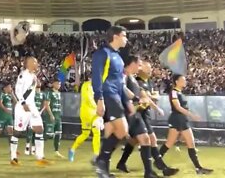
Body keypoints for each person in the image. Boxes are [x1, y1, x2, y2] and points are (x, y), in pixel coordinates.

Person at [116, 61, 178, 176]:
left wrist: (150, 98)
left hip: (143, 113)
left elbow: (153, 96)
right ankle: (160, 167)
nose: (150, 70)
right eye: (147, 67)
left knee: (136, 141)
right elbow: (144, 97)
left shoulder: (145, 81)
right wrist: (155, 106)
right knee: (150, 139)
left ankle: (123, 163)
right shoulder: (134, 80)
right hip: (139, 112)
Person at [91, 26, 132, 178]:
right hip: (108, 96)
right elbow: (96, 77)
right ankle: (101, 160)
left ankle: (104, 171)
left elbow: (121, 83)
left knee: (110, 132)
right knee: (123, 131)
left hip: (116, 96)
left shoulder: (118, 57)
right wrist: (99, 98)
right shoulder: (102, 54)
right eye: (124, 35)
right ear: (115, 36)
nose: (126, 38)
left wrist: (127, 100)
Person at [159, 74, 213, 175]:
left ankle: (198, 168)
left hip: (182, 119)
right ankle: (157, 160)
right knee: (169, 143)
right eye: (183, 80)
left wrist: (190, 114)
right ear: (176, 82)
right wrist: (192, 115)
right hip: (177, 119)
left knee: (190, 143)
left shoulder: (179, 93)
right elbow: (178, 107)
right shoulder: (174, 92)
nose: (185, 81)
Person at [10, 56, 50, 166]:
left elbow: (36, 88)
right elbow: (18, 90)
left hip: (32, 106)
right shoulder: (23, 75)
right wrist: (23, 103)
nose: (37, 64)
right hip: (23, 106)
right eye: (35, 62)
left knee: (39, 128)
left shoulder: (33, 76)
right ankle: (13, 157)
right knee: (17, 132)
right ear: (29, 64)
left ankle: (40, 157)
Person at [68, 72, 102, 162]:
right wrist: (97, 107)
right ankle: (72, 150)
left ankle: (96, 154)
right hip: (87, 113)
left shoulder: (95, 87)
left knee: (96, 132)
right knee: (85, 134)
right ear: (90, 78)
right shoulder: (86, 85)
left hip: (94, 113)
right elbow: (88, 99)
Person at [44, 79, 64, 158]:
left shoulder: (59, 93)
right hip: (51, 116)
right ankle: (36, 146)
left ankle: (56, 151)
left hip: (58, 116)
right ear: (53, 84)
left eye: (60, 84)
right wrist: (51, 115)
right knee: (49, 135)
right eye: (57, 84)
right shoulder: (49, 92)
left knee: (58, 134)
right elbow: (46, 104)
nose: (59, 85)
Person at [25, 80, 45, 156]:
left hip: (38, 114)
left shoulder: (43, 94)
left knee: (36, 131)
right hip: (31, 113)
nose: (39, 83)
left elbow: (45, 104)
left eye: (40, 82)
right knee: (30, 130)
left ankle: (33, 148)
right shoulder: (32, 93)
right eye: (37, 82)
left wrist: (41, 111)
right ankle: (27, 147)